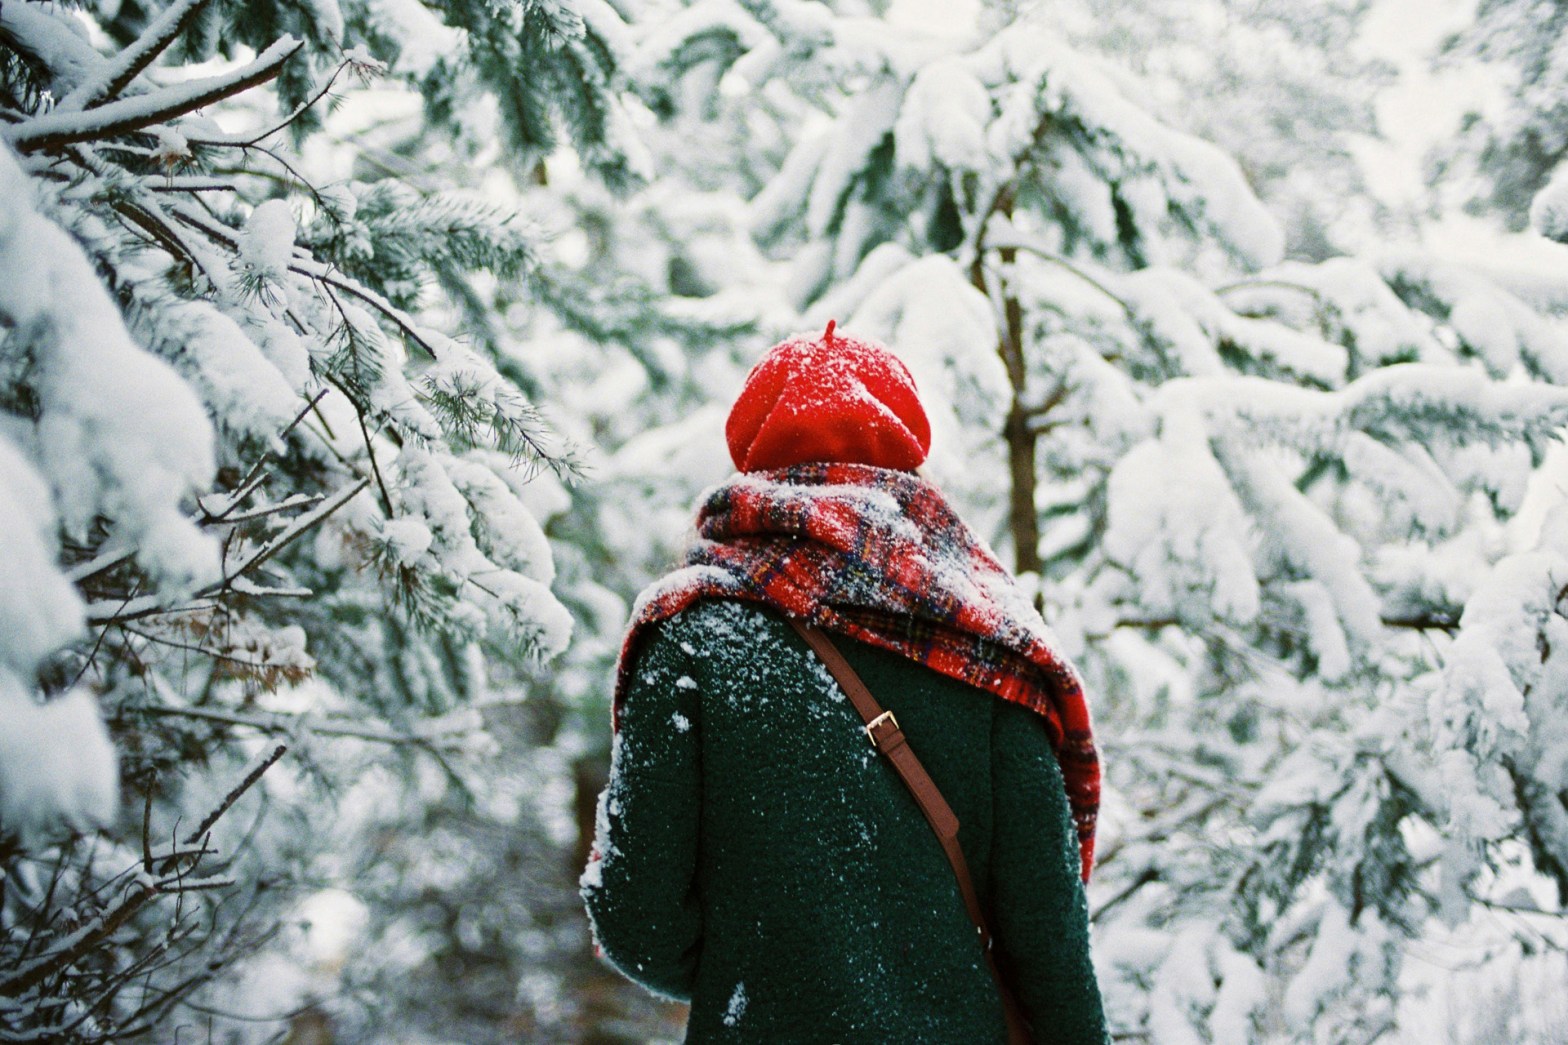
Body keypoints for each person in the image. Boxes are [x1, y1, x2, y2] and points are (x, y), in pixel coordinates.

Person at [580, 322, 1109, 1043]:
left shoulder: (691, 638)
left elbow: (635, 917)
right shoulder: (989, 649)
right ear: (906, 449)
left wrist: (761, 970)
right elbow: (1049, 942)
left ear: (753, 456)